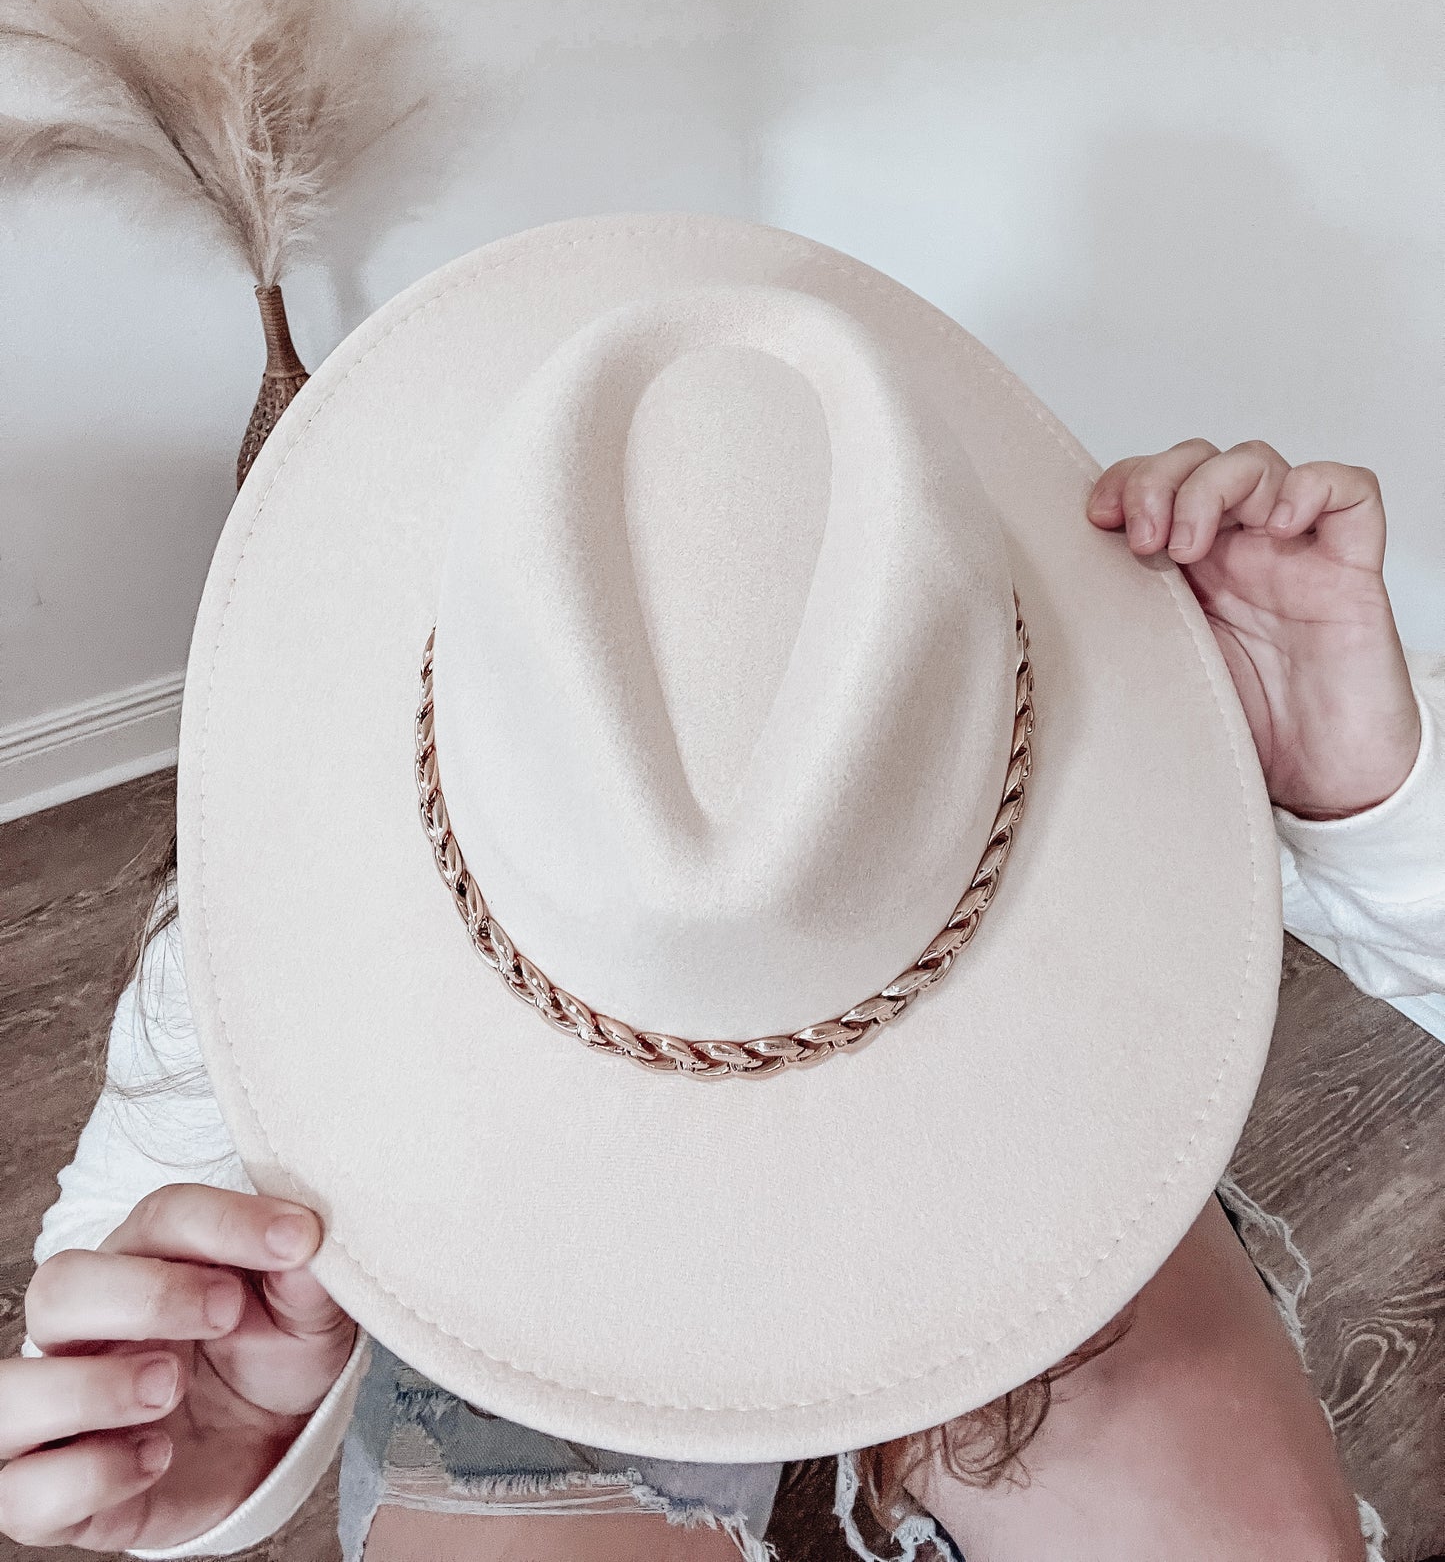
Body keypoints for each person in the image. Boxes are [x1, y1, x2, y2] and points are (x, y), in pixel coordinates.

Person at [1, 220, 1441, 1562]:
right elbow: (130, 1201)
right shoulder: (288, 920)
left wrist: (1361, 800)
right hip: (529, 1238)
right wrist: (216, 1438)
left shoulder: (1014, 723)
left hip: (998, 1166)